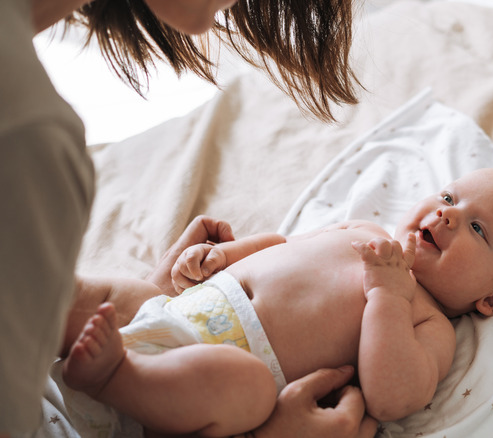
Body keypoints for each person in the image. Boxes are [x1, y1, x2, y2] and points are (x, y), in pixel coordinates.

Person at [0, 0, 361, 435]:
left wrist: (160, 312)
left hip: (117, 356)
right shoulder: (27, 139)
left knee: (126, 298)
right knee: (252, 390)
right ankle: (117, 374)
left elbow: (30, 297)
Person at [60, 168, 493, 436]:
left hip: (198, 382)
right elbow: (284, 246)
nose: (448, 215)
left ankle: (114, 377)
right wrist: (220, 258)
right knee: (118, 292)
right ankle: (43, 301)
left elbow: (395, 398)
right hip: (167, 315)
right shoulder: (363, 229)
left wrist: (387, 296)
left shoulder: (427, 321)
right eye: (449, 197)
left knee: (249, 387)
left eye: (478, 228)